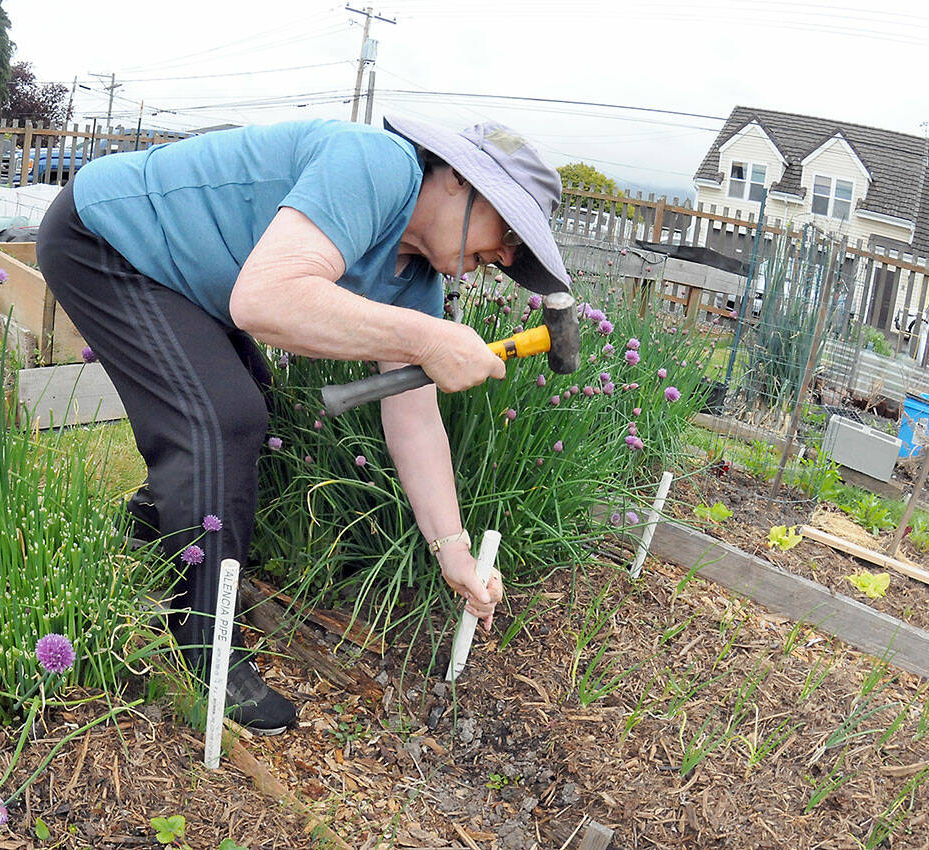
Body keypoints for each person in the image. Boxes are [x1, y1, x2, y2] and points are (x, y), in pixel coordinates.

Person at [36, 116, 572, 735]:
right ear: (457, 179)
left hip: (181, 276)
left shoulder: (414, 278)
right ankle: (204, 647)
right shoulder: (376, 167)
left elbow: (413, 415)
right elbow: (263, 302)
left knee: (247, 401)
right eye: (508, 229)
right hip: (107, 237)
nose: (505, 256)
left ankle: (146, 530)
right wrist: (430, 339)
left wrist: (451, 549)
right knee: (220, 419)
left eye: (517, 252)